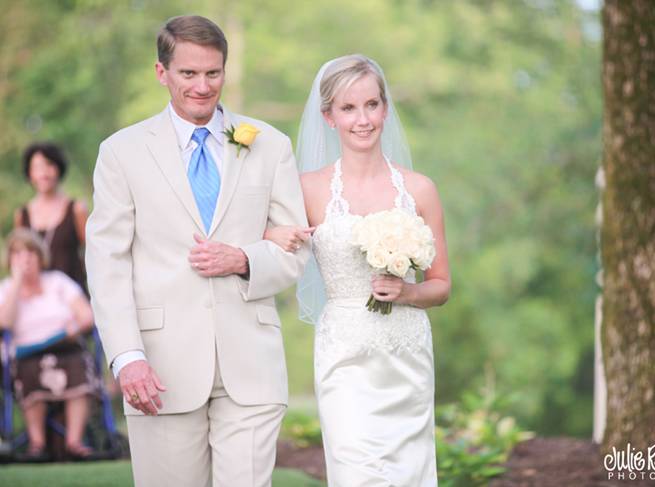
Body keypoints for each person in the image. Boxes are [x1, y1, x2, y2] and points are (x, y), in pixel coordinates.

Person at [85, 15, 309, 487]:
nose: (203, 86)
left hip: (250, 363)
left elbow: (295, 249)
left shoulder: (271, 145)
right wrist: (127, 357)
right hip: (159, 369)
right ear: (161, 73)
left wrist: (245, 259)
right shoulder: (121, 152)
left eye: (213, 73)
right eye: (189, 74)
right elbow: (107, 264)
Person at [265, 55, 451, 486]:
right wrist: (272, 235)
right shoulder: (306, 188)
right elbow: (262, 237)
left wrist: (405, 293)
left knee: (409, 473)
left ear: (385, 108)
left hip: (406, 356)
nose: (362, 119)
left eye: (371, 105)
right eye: (348, 108)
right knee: (356, 471)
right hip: (345, 353)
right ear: (329, 117)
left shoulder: (420, 189)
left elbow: (441, 286)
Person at [0, 228, 95, 460]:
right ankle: (37, 444)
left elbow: (86, 316)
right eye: (18, 254)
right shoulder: (5, 289)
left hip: (65, 346)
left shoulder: (58, 282)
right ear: (10, 259)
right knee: (27, 370)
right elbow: (5, 323)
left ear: (40, 256)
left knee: (79, 365)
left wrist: (74, 328)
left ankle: (74, 442)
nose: (26, 259)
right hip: (25, 354)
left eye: (30, 252)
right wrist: (17, 283)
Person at [14, 142, 88, 293]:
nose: (43, 173)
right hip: (37, 299)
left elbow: (93, 252)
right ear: (29, 173)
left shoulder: (76, 209)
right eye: (36, 168)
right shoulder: (22, 215)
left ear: (58, 168)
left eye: (48, 165)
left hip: (73, 298)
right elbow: (19, 259)